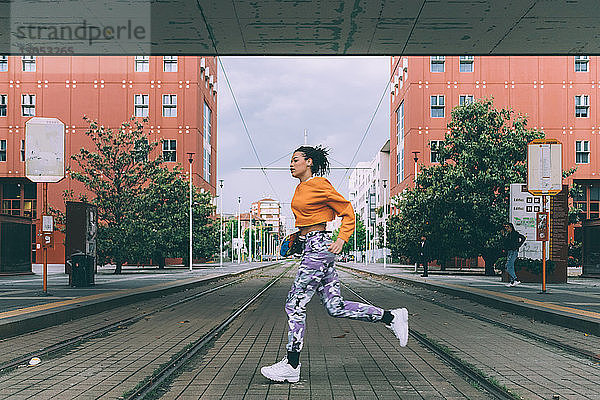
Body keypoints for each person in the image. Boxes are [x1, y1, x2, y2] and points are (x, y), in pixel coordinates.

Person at [260, 145, 409, 383]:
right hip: (312, 245)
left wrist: (342, 238)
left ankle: (291, 363)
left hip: (319, 248)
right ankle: (391, 317)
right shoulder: (300, 188)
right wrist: (297, 238)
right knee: (335, 307)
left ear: (308, 162)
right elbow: (311, 219)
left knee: (295, 303)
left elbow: (347, 210)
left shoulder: (320, 184)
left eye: (295, 159)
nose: (291, 164)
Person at [503, 222, 526, 287]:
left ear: (511, 227)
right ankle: (512, 281)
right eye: (505, 227)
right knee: (511, 266)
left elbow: (523, 238)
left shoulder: (515, 233)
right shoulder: (508, 234)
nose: (506, 228)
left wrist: (518, 245)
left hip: (513, 251)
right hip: (509, 251)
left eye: (507, 227)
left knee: (508, 266)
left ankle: (516, 279)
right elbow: (506, 243)